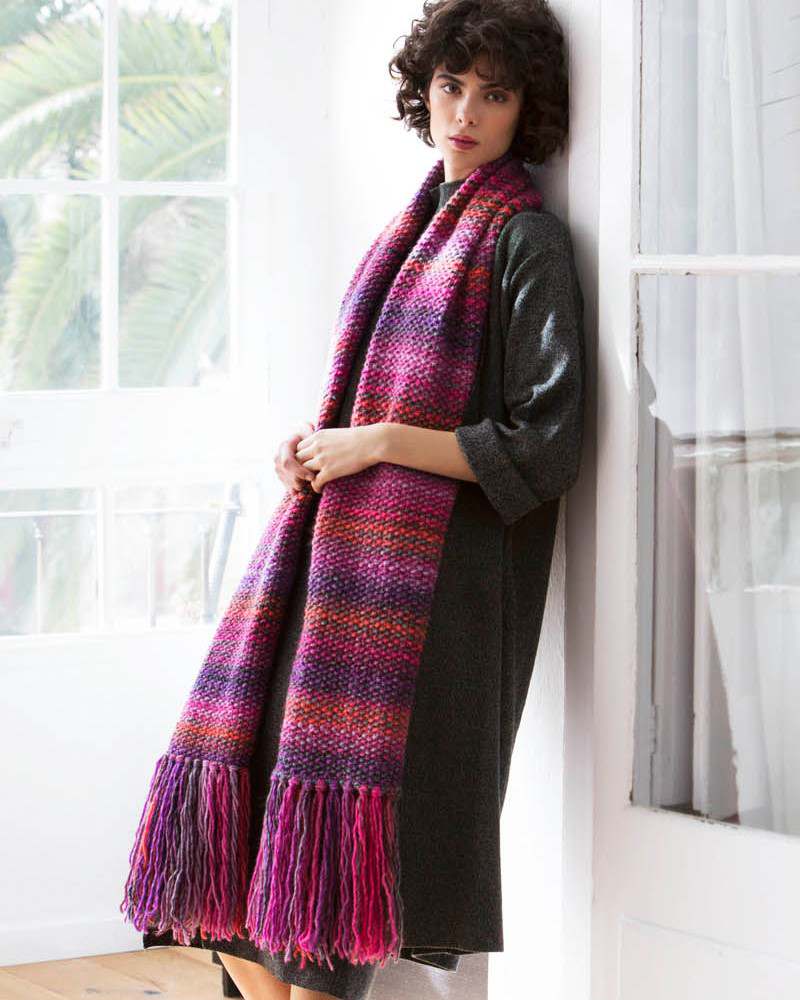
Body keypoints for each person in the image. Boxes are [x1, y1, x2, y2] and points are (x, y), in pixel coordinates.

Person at [140, 1, 584, 998]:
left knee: (331, 886)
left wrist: (376, 442)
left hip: (430, 598)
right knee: (249, 868)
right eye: (450, 86)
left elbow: (545, 444)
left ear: (528, 110)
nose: (464, 112)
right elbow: (365, 403)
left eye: (494, 94)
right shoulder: (410, 227)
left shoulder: (526, 241)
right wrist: (314, 449)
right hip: (336, 563)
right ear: (423, 90)